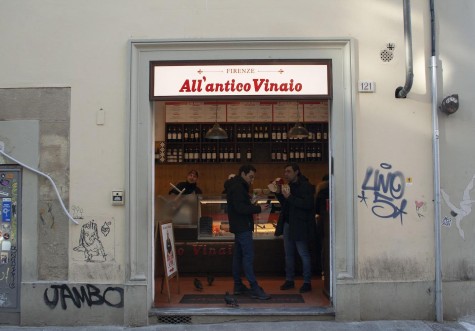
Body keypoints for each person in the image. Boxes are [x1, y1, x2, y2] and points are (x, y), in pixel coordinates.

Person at [225, 164, 271, 300]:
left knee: (238, 257)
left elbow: (240, 206)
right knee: (248, 257)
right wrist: (258, 208)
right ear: (243, 174)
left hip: (238, 226)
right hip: (243, 226)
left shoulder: (235, 186)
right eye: (251, 177)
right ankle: (254, 288)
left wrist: (251, 204)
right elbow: (240, 208)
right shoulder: (239, 187)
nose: (252, 180)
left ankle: (238, 286)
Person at [274, 163, 315, 293]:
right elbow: (286, 204)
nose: (286, 174)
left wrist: (289, 197)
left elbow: (307, 205)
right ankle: (289, 280)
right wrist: (278, 194)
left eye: (288, 171)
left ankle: (307, 282)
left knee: (303, 253)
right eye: (285, 172)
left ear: (297, 172)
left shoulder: (306, 186)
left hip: (300, 224)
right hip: (288, 224)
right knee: (288, 254)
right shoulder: (288, 186)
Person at [314, 174, 329, 275]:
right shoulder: (335, 191)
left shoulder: (320, 192)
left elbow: (316, 210)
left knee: (324, 246)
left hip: (322, 222)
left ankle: (324, 270)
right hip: (330, 223)